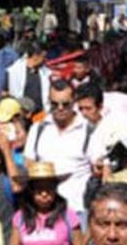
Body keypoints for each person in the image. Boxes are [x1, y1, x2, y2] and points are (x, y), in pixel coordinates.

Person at [23, 78, 92, 218]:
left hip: (77, 208)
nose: (60, 108)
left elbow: (98, 168)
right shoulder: (38, 128)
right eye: (54, 104)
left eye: (65, 104)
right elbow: (29, 162)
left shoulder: (88, 130)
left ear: (74, 101)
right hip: (44, 210)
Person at [7, 161, 82, 245]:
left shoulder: (69, 216)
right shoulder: (20, 218)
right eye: (39, 190)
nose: (44, 194)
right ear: (31, 191)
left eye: (49, 189)